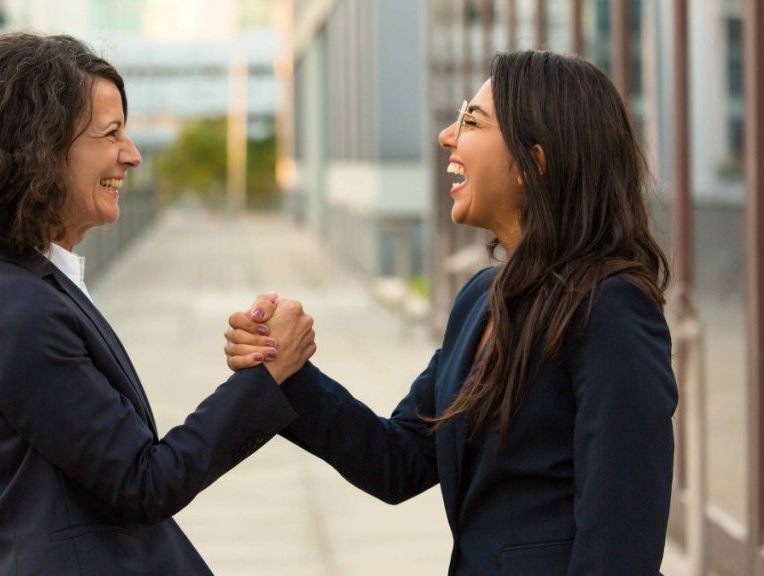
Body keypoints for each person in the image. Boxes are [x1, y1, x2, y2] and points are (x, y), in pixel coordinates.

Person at [226, 50, 677, 575]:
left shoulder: (611, 307)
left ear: (535, 162)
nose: (447, 135)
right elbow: (398, 461)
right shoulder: (480, 300)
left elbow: (621, 544)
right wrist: (287, 372)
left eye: (472, 121)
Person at [0, 32, 316, 575]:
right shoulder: (10, 311)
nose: (132, 154)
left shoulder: (30, 283)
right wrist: (267, 378)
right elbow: (144, 481)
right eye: (110, 133)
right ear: (38, 149)